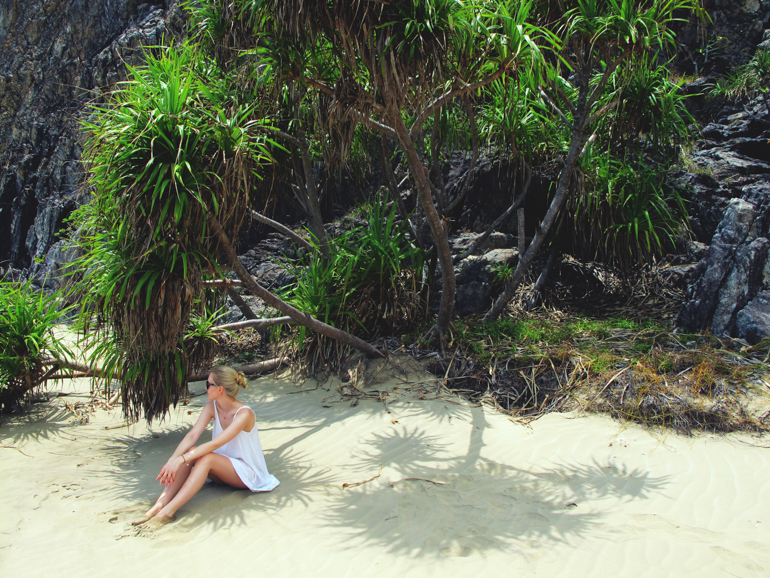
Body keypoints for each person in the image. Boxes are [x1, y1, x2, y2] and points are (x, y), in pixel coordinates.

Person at [132, 365, 279, 528]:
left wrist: (180, 460)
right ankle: (161, 504)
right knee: (191, 452)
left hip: (247, 474)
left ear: (220, 389)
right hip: (223, 470)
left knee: (206, 458)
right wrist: (172, 460)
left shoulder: (244, 414)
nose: (205, 388)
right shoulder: (212, 407)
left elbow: (216, 443)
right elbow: (192, 436)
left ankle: (167, 513)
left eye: (208, 384)